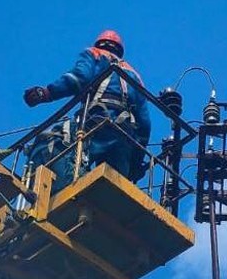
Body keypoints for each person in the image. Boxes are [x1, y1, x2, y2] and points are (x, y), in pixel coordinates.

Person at [23, 30, 151, 186]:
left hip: (98, 124)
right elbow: (144, 124)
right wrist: (136, 159)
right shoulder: (134, 75)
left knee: (54, 142)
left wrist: (47, 93)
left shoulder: (94, 54)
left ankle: (65, 184)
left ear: (99, 43)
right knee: (116, 188)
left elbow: (78, 79)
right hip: (124, 135)